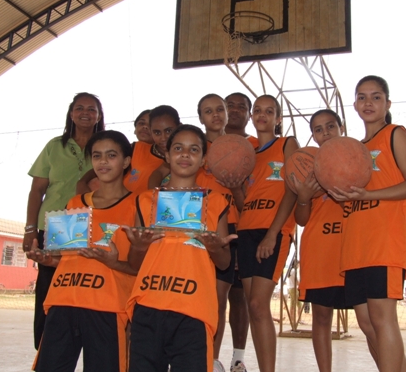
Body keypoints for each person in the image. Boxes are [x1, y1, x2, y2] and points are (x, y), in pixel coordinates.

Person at [329, 75, 406, 372]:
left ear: (387, 103)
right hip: (358, 243)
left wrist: (370, 193)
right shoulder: (354, 149)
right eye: (361, 97)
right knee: (368, 323)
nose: (368, 102)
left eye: (375, 97)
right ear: (354, 105)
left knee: (383, 319)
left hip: (386, 240)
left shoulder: (395, 134)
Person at [27, 130, 141, 371]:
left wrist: (113, 262)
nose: (103, 161)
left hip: (107, 307)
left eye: (111, 155)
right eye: (97, 155)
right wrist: (46, 258)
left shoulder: (139, 205)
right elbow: (65, 258)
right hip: (63, 300)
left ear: (126, 162)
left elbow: (139, 267)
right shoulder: (75, 203)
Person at [126, 124, 236, 372]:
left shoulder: (216, 202)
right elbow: (134, 264)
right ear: (167, 155)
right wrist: (139, 247)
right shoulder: (145, 201)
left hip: (194, 311)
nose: (185, 154)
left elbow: (224, 262)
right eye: (178, 148)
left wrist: (214, 247)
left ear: (203, 160)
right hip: (148, 307)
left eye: (193, 149)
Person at [23, 92, 105, 350]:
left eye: (91, 109)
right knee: (50, 289)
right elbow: (37, 191)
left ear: (99, 115)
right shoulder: (54, 146)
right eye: (79, 108)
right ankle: (46, 351)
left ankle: (88, 349)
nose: (85, 113)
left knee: (88, 287)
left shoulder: (105, 147)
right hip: (54, 226)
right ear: (71, 113)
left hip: (92, 226)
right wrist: (29, 229)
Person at [236, 95, 299, 372]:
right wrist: (234, 184)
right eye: (258, 110)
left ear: (278, 118)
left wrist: (273, 233)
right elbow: (243, 201)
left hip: (271, 231)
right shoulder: (246, 154)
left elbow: (292, 189)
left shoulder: (287, 144)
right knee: (253, 307)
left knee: (260, 305)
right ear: (252, 116)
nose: (262, 115)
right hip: (246, 230)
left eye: (269, 111)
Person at [292, 109, 349, 372]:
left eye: (330, 127)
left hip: (351, 251)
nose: (325, 133)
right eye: (318, 129)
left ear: (341, 127)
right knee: (322, 318)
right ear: (312, 135)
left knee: (370, 319)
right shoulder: (306, 164)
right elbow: (301, 220)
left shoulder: (355, 158)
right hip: (318, 251)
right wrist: (303, 195)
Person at [194, 94, 247, 372]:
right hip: (200, 227)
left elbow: (247, 200)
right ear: (200, 117)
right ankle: (206, 357)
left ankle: (233, 357)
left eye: (220, 109)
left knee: (231, 296)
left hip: (234, 227)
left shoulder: (241, 148)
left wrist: (236, 186)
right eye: (208, 111)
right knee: (211, 297)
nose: (215, 115)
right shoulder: (194, 147)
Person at [147, 105, 182, 189]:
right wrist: (153, 196)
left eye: (168, 131)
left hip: (195, 197)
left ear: (180, 127)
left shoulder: (187, 149)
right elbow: (158, 173)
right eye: (157, 133)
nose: (163, 138)